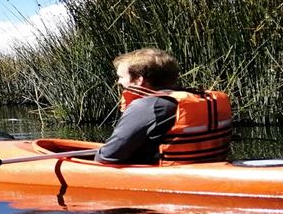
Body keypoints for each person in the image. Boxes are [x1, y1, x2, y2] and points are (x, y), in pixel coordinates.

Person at [95, 48, 232, 165]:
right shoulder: (203, 99)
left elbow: (107, 157)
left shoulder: (147, 106)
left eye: (121, 77)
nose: (119, 82)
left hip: (171, 177)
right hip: (212, 169)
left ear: (138, 80)